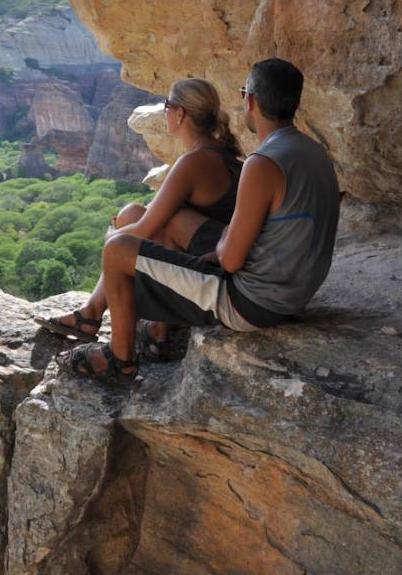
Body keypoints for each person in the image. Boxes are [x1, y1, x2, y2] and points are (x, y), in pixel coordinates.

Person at [60, 58, 341, 383]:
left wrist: (220, 246)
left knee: (117, 248)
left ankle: (120, 359)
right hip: (293, 295)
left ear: (249, 100)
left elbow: (232, 259)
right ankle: (151, 332)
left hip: (252, 302)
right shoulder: (315, 153)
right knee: (148, 235)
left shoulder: (263, 163)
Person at [35, 78, 242, 349]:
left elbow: (146, 230)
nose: (164, 110)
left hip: (207, 265)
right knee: (131, 212)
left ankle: (140, 329)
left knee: (125, 232)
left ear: (180, 114)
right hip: (209, 251)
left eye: (167, 105)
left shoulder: (194, 163)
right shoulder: (219, 155)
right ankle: (92, 313)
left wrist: (113, 235)